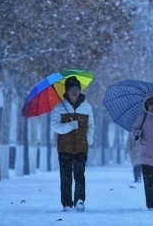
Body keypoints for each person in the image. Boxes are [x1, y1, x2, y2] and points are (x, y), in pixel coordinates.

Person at [50, 76, 94, 212]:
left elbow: (91, 125)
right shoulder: (59, 107)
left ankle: (80, 200)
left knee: (80, 174)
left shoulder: (87, 107)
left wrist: (88, 139)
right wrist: (69, 126)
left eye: (76, 88)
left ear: (80, 90)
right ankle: (67, 203)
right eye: (71, 88)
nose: (74, 91)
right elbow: (54, 126)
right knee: (66, 176)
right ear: (67, 91)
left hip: (81, 146)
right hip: (64, 147)